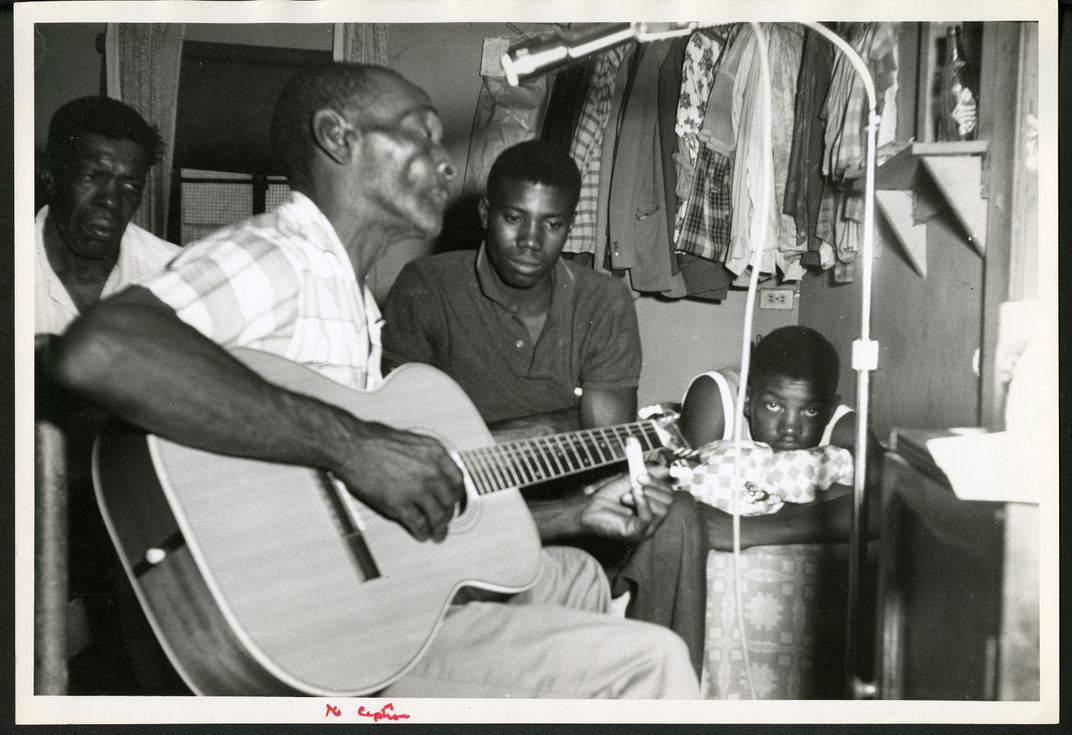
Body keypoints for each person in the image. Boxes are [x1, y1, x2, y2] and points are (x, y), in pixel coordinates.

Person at [48, 64, 698, 699]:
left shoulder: (348, 295)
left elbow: (374, 507)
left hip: (367, 594)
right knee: (654, 662)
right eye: (419, 134)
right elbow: (102, 349)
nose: (445, 163)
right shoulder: (276, 258)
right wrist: (354, 444)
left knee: (580, 575)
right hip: (316, 630)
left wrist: (575, 510)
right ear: (339, 137)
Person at [381, 140, 708, 677]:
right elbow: (414, 445)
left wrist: (539, 434)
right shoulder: (427, 287)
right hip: (471, 502)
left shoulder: (602, 300)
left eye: (552, 224)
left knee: (676, 519)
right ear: (486, 213)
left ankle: (662, 692)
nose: (531, 241)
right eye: (514, 218)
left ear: (568, 224)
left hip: (577, 493)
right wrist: (542, 426)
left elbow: (607, 445)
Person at [34, 96, 181, 693]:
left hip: (134, 523)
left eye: (130, 183)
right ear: (50, 172)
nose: (113, 201)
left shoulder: (174, 275)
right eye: (95, 176)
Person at [678, 325, 882, 550]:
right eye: (773, 406)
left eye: (810, 411)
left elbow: (894, 503)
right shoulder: (715, 397)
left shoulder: (844, 427)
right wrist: (830, 498)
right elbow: (691, 495)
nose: (790, 429)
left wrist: (750, 530)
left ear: (830, 410)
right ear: (747, 400)